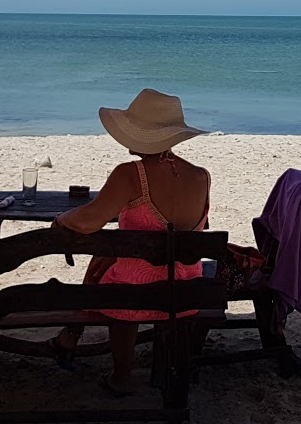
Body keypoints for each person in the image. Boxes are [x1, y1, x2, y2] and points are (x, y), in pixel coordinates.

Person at [47, 89, 210, 396]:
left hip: (137, 294)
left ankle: (119, 374)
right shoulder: (201, 176)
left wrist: (60, 219)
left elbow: (87, 222)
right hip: (186, 289)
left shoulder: (130, 175)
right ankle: (72, 336)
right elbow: (201, 228)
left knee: (112, 277)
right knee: (106, 262)